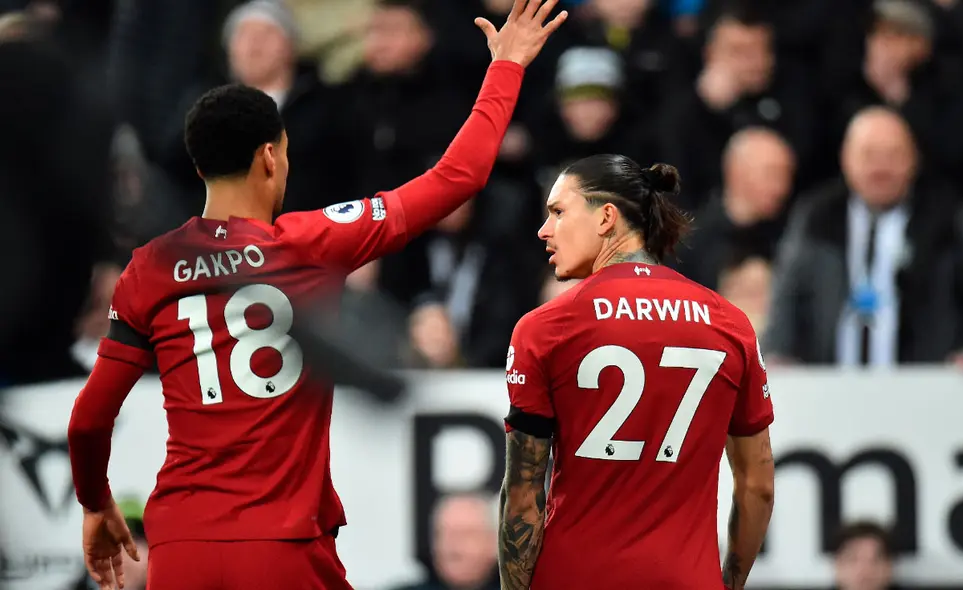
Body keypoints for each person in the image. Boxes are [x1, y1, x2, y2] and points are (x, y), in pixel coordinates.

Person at [66, 2, 568, 589]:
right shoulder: (310, 242)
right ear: (270, 156)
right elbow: (458, 177)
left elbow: (89, 419)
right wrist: (506, 67)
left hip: (182, 547)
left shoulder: (148, 269)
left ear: (199, 168)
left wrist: (95, 503)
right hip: (282, 544)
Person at [499, 154, 776, 589]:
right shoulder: (730, 324)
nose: (544, 230)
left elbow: (523, 496)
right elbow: (758, 484)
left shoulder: (545, 329)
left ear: (606, 217)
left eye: (558, 212)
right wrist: (731, 582)